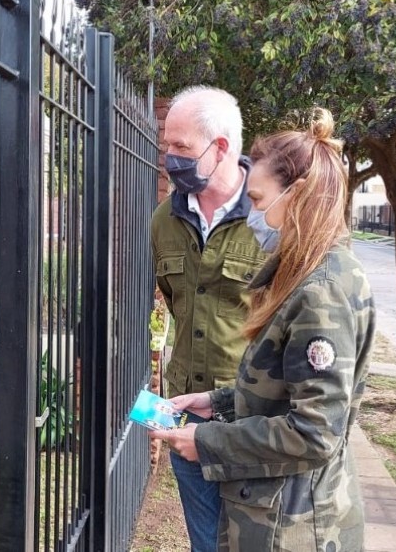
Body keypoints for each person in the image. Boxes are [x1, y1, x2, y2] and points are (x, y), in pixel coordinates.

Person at [151, 108, 376, 551]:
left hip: (293, 523)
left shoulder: (321, 291)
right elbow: (283, 389)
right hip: (276, 509)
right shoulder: (313, 273)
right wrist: (217, 402)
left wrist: (210, 441)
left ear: (298, 194)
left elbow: (315, 432)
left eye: (256, 200)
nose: (252, 215)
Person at [150, 85, 267, 551]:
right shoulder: (165, 219)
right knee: (206, 542)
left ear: (220, 148)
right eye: (167, 147)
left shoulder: (270, 218)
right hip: (186, 412)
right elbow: (171, 303)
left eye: (181, 148)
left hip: (254, 421)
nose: (170, 158)